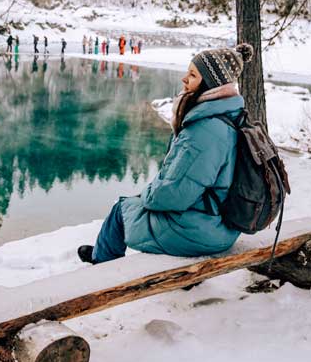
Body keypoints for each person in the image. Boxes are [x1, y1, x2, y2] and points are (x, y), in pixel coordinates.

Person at [77, 44, 254, 264]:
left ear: (210, 84)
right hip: (222, 225)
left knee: (122, 209)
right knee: (134, 207)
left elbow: (173, 195)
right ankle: (103, 252)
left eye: (192, 75)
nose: (184, 79)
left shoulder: (205, 131)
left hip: (198, 232)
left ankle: (102, 264)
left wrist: (147, 195)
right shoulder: (230, 117)